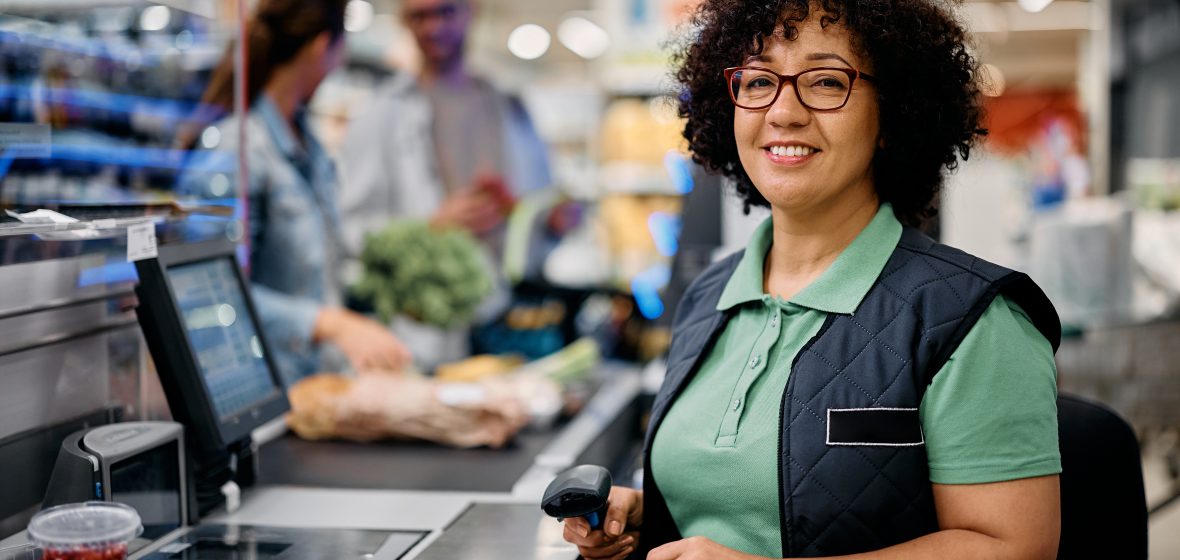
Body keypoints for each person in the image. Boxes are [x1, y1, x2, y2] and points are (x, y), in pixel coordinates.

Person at [563, 1, 1063, 559]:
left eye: (826, 81)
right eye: (758, 81)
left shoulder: (970, 320)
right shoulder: (712, 297)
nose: (783, 111)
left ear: (892, 114)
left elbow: (1013, 548)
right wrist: (648, 520)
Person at [182, 0, 410, 386]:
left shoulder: (310, 148)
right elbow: (208, 291)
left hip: (312, 391)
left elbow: (320, 275)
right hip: (259, 395)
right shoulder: (235, 150)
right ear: (323, 47)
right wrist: (327, 323)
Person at [337, 0, 551, 272]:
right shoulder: (379, 116)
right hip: (422, 302)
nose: (434, 27)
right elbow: (351, 230)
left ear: (472, 10)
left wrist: (552, 221)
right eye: (419, 17)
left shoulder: (510, 108)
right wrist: (429, 228)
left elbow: (539, 201)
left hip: (511, 299)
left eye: (446, 12)